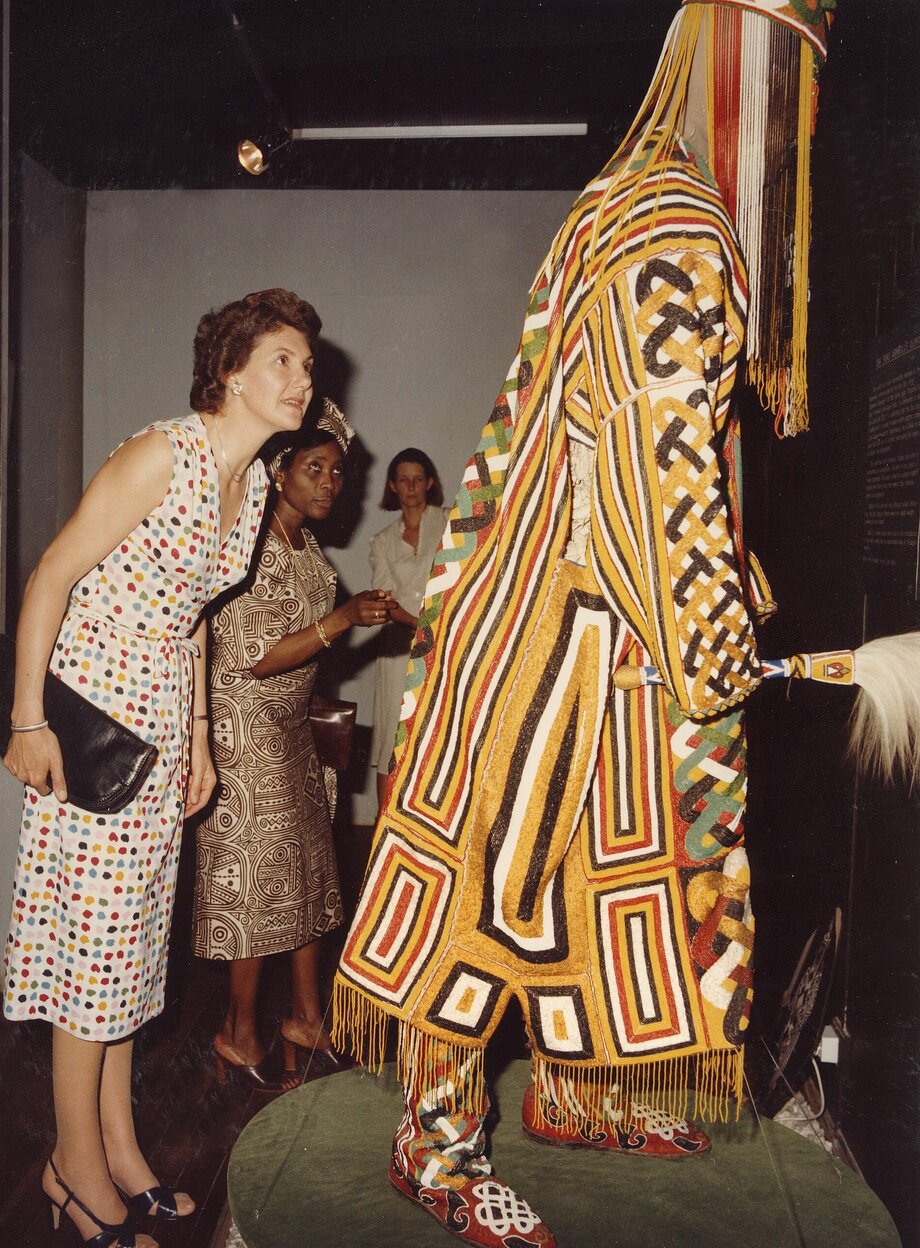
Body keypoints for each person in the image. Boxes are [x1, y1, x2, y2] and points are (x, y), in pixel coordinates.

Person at [334, 4, 834, 1245]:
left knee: (575, 869)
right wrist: (713, 633)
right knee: (498, 878)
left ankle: (571, 1090)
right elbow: (658, 462)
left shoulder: (622, 198)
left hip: (551, 608)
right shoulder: (679, 227)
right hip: (575, 626)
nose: (795, 129)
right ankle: (434, 1147)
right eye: (793, 88)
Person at [2, 287, 321, 1247]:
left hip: (162, 731)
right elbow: (50, 576)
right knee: (91, 960)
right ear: (230, 371)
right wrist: (28, 720)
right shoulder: (161, 454)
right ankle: (74, 1172)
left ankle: (119, 1149)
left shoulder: (251, 485)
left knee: (131, 958)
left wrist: (203, 740)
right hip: (93, 730)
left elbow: (195, 619)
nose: (302, 379)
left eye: (308, 365)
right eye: (282, 360)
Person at [194, 402, 394, 1088]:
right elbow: (253, 653)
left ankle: (307, 1021)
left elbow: (311, 640)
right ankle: (238, 1034)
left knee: (309, 880)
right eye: (314, 468)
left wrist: (354, 615)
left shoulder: (306, 548)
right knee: (256, 891)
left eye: (337, 472)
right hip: (246, 737)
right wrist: (342, 619)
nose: (329, 483)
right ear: (278, 472)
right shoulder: (250, 545)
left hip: (293, 732)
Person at [369, 449, 449, 807]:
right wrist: (419, 625)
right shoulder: (382, 541)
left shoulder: (449, 522)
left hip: (446, 642)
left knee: (437, 730)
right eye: (403, 480)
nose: (411, 487)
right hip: (399, 648)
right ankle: (382, 820)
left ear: (429, 483)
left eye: (418, 479)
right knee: (391, 734)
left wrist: (439, 629)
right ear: (392, 486)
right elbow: (384, 601)